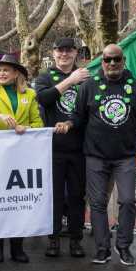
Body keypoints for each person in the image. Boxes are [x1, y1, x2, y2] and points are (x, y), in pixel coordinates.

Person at [56, 44, 136, 267]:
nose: (112, 64)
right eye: (108, 59)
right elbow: (78, 115)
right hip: (95, 156)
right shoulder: (89, 87)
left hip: (125, 157)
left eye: (116, 59)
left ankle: (124, 246)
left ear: (123, 61)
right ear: (102, 62)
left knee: (128, 200)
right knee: (98, 204)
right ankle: (102, 249)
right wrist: (68, 123)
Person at [0, 54, 43, 263]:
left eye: (6, 70)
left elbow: (38, 123)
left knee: (18, 201)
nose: (1, 73)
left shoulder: (30, 94)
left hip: (22, 155)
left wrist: (26, 128)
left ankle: (17, 247)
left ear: (16, 73)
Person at [34, 38, 88, 258]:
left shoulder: (85, 76)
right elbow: (44, 98)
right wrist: (69, 81)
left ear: (75, 52)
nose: (64, 54)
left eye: (69, 50)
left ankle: (76, 239)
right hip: (52, 147)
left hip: (78, 147)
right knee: (54, 196)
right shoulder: (45, 76)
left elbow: (88, 109)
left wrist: (71, 122)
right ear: (53, 53)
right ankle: (53, 238)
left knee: (76, 196)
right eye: (60, 50)